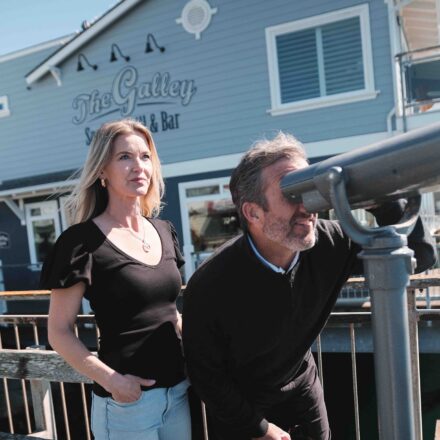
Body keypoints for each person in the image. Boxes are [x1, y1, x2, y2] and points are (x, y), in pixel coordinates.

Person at [182, 132, 437, 440]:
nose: (307, 207)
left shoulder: (330, 243)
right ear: (253, 212)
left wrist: (375, 194)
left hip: (301, 388)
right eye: (291, 194)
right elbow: (207, 377)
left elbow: (419, 254)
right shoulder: (212, 283)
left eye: (309, 189)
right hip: (243, 405)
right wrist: (258, 428)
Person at [40, 119, 191, 440]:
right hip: (127, 406)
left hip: (178, 392)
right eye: (124, 157)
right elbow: (58, 332)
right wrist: (113, 382)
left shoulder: (165, 231)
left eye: (145, 156)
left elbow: (169, 311)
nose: (138, 166)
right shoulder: (80, 243)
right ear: (101, 171)